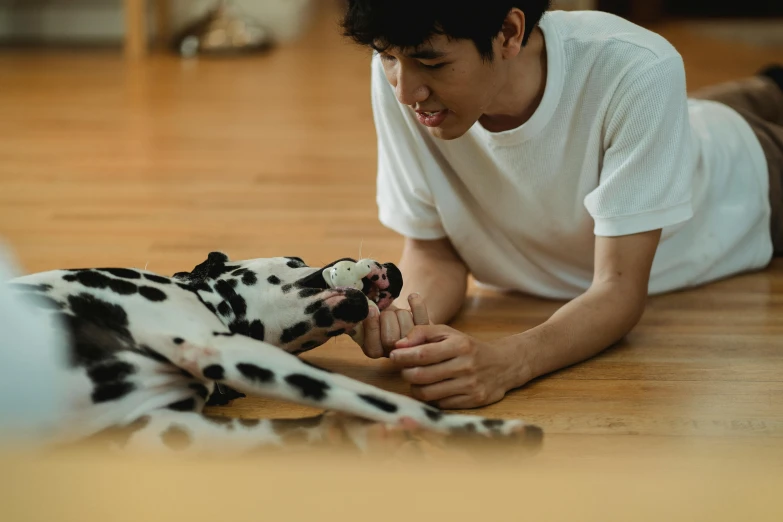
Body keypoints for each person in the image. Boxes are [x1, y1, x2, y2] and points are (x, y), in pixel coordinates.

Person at [339, 0, 783, 409]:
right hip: (680, 119)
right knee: (757, 90)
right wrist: (403, 322)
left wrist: (511, 361)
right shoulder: (406, 73)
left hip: (749, 173)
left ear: (510, 33)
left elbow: (618, 291)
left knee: (676, 90)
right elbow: (434, 252)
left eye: (432, 62)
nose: (404, 90)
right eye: (387, 56)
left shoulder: (640, 67)